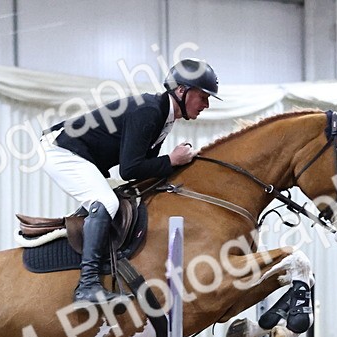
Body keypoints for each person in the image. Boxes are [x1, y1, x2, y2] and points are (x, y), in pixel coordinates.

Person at [41, 58, 220, 307]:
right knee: (106, 202)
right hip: (61, 151)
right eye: (203, 97)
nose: (206, 105)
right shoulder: (149, 111)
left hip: (83, 155)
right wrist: (172, 159)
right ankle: (87, 285)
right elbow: (130, 169)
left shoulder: (165, 117)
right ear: (181, 90)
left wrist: (177, 164)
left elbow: (143, 170)